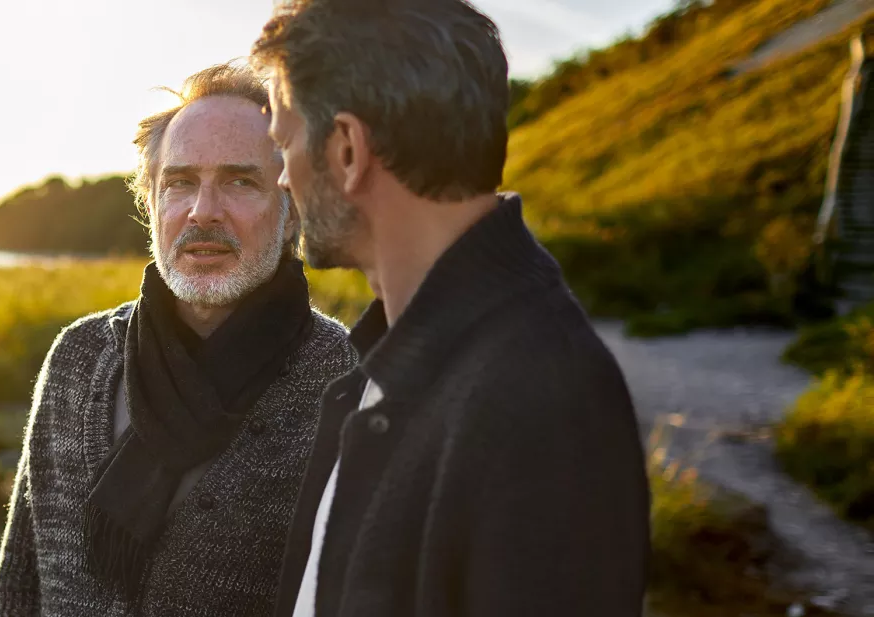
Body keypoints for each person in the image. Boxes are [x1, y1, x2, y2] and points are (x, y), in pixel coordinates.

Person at [250, 1, 651, 615]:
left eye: (284, 140)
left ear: (348, 150)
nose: (281, 177)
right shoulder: (391, 365)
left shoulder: (545, 402)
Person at [0, 62, 357, 616]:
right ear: (153, 203)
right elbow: (21, 587)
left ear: (292, 212)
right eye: (180, 182)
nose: (203, 211)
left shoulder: (345, 383)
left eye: (240, 181)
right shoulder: (79, 359)